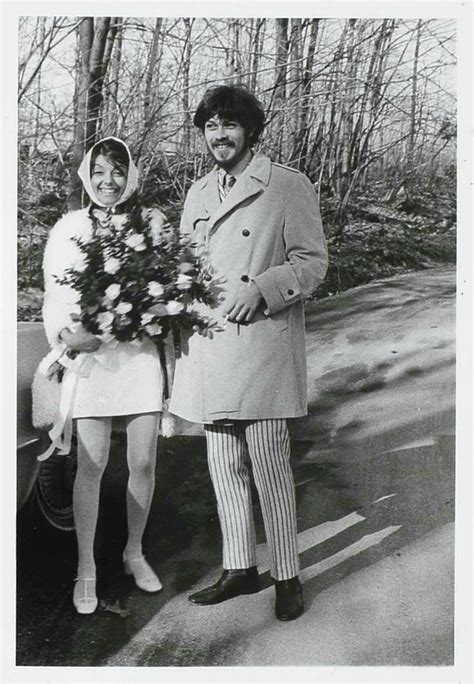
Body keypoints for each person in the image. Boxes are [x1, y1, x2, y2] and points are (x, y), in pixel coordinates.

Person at [169, 85, 328, 621]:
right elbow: (187, 263)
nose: (220, 135)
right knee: (224, 463)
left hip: (260, 341)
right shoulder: (197, 193)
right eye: (211, 126)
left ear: (251, 130)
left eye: (230, 125)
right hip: (211, 345)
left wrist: (262, 287)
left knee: (269, 465)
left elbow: (312, 262)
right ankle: (239, 566)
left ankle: (286, 573)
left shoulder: (286, 185)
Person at [41, 137, 165, 614]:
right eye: (99, 172)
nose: (108, 182)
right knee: (90, 465)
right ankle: (86, 567)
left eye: (117, 172)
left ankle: (134, 551)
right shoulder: (68, 227)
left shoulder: (147, 225)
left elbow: (166, 286)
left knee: (143, 462)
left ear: (129, 175)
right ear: (86, 177)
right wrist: (67, 336)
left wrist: (153, 314)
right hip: (92, 359)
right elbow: (54, 293)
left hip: (137, 356)